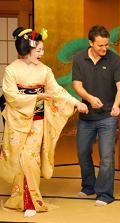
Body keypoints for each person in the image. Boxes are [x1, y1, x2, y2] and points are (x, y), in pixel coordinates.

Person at [0, 27, 88, 218]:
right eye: (38, 49)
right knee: (18, 160)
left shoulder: (45, 71)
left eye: (42, 49)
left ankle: (31, 201)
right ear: (26, 49)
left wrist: (75, 103)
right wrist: (37, 96)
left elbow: (57, 91)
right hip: (18, 121)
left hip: (37, 121)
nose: (42, 53)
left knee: (30, 159)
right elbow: (11, 96)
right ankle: (19, 198)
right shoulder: (11, 70)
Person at [72, 25, 120, 206]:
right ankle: (88, 186)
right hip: (86, 116)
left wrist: (117, 105)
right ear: (91, 43)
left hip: (108, 116)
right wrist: (88, 98)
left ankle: (105, 194)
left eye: (106, 45)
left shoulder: (115, 60)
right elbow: (77, 84)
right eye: (100, 45)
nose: (104, 49)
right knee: (82, 152)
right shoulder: (79, 58)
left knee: (107, 157)